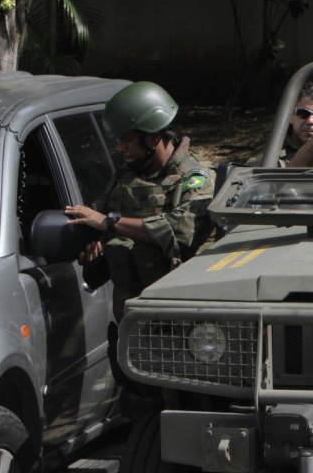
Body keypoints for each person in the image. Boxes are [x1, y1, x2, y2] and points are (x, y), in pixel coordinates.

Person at [65, 81, 215, 321]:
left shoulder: (195, 176)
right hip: (131, 319)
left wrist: (110, 223)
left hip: (183, 317)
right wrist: (93, 246)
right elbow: (96, 220)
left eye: (126, 140)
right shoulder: (125, 178)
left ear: (153, 136)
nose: (120, 148)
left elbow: (182, 231)